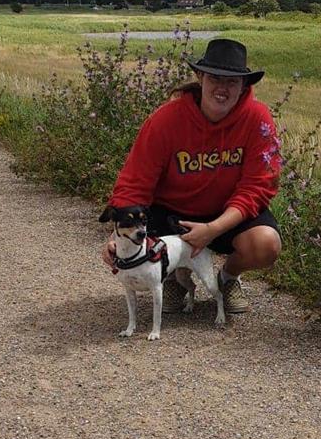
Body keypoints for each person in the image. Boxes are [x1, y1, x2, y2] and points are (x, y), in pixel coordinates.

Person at [102, 38, 282, 314]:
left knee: (265, 244)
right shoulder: (167, 119)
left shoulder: (258, 119)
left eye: (232, 81)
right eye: (215, 77)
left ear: (245, 85)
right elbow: (135, 182)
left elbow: (258, 186)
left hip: (227, 214)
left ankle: (228, 278)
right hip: (173, 217)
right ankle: (173, 275)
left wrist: (214, 228)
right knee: (151, 231)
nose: (222, 87)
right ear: (200, 77)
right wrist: (118, 236)